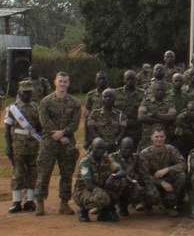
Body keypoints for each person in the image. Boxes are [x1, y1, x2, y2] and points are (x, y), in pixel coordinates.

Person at [34, 71, 81, 216]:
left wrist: (64, 133)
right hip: (49, 141)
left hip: (67, 141)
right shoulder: (46, 102)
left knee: (67, 173)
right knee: (44, 172)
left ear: (68, 83)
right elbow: (44, 122)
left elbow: (75, 123)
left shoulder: (75, 103)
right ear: (55, 82)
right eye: (60, 81)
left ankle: (64, 203)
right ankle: (40, 203)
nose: (62, 84)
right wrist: (59, 135)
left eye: (65, 81)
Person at [5, 79, 41, 212]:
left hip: (33, 145)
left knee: (32, 172)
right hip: (18, 146)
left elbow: (39, 128)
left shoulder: (37, 108)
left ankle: (30, 201)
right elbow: (7, 129)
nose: (26, 95)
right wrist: (9, 147)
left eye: (29, 92)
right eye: (24, 92)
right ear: (20, 92)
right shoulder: (13, 108)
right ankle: (16, 201)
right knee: (17, 173)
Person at [138, 127, 186, 214]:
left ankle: (169, 204)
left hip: (167, 179)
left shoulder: (170, 149)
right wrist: (161, 182)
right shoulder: (144, 153)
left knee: (182, 176)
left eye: (161, 136)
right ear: (151, 137)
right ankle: (147, 204)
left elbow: (182, 164)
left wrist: (167, 169)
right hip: (152, 182)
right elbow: (144, 175)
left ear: (165, 137)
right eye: (156, 136)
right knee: (152, 194)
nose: (159, 139)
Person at [72, 137, 116, 222]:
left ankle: (104, 213)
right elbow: (89, 185)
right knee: (104, 197)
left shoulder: (105, 158)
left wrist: (112, 176)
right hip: (83, 191)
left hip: (98, 187)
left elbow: (120, 170)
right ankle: (82, 209)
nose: (100, 151)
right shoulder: (85, 162)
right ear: (91, 148)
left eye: (102, 148)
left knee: (120, 182)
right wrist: (107, 192)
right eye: (97, 148)